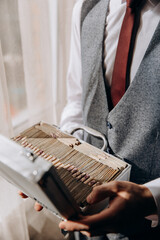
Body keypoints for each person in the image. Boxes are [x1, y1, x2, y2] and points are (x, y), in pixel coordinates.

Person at [57, 0, 160, 239]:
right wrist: (60, 166)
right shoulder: (85, 8)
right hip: (85, 223)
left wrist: (152, 197)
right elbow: (77, 101)